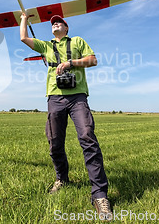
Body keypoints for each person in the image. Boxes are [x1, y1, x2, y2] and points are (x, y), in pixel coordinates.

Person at [20, 13, 112, 220]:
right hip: (54, 97)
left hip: (77, 97)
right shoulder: (46, 46)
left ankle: (99, 195)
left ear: (67, 28)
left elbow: (93, 60)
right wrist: (24, 18)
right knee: (54, 141)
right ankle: (62, 178)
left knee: (88, 137)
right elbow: (24, 38)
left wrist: (71, 63)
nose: (55, 24)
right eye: (52, 23)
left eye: (59, 22)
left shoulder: (78, 41)